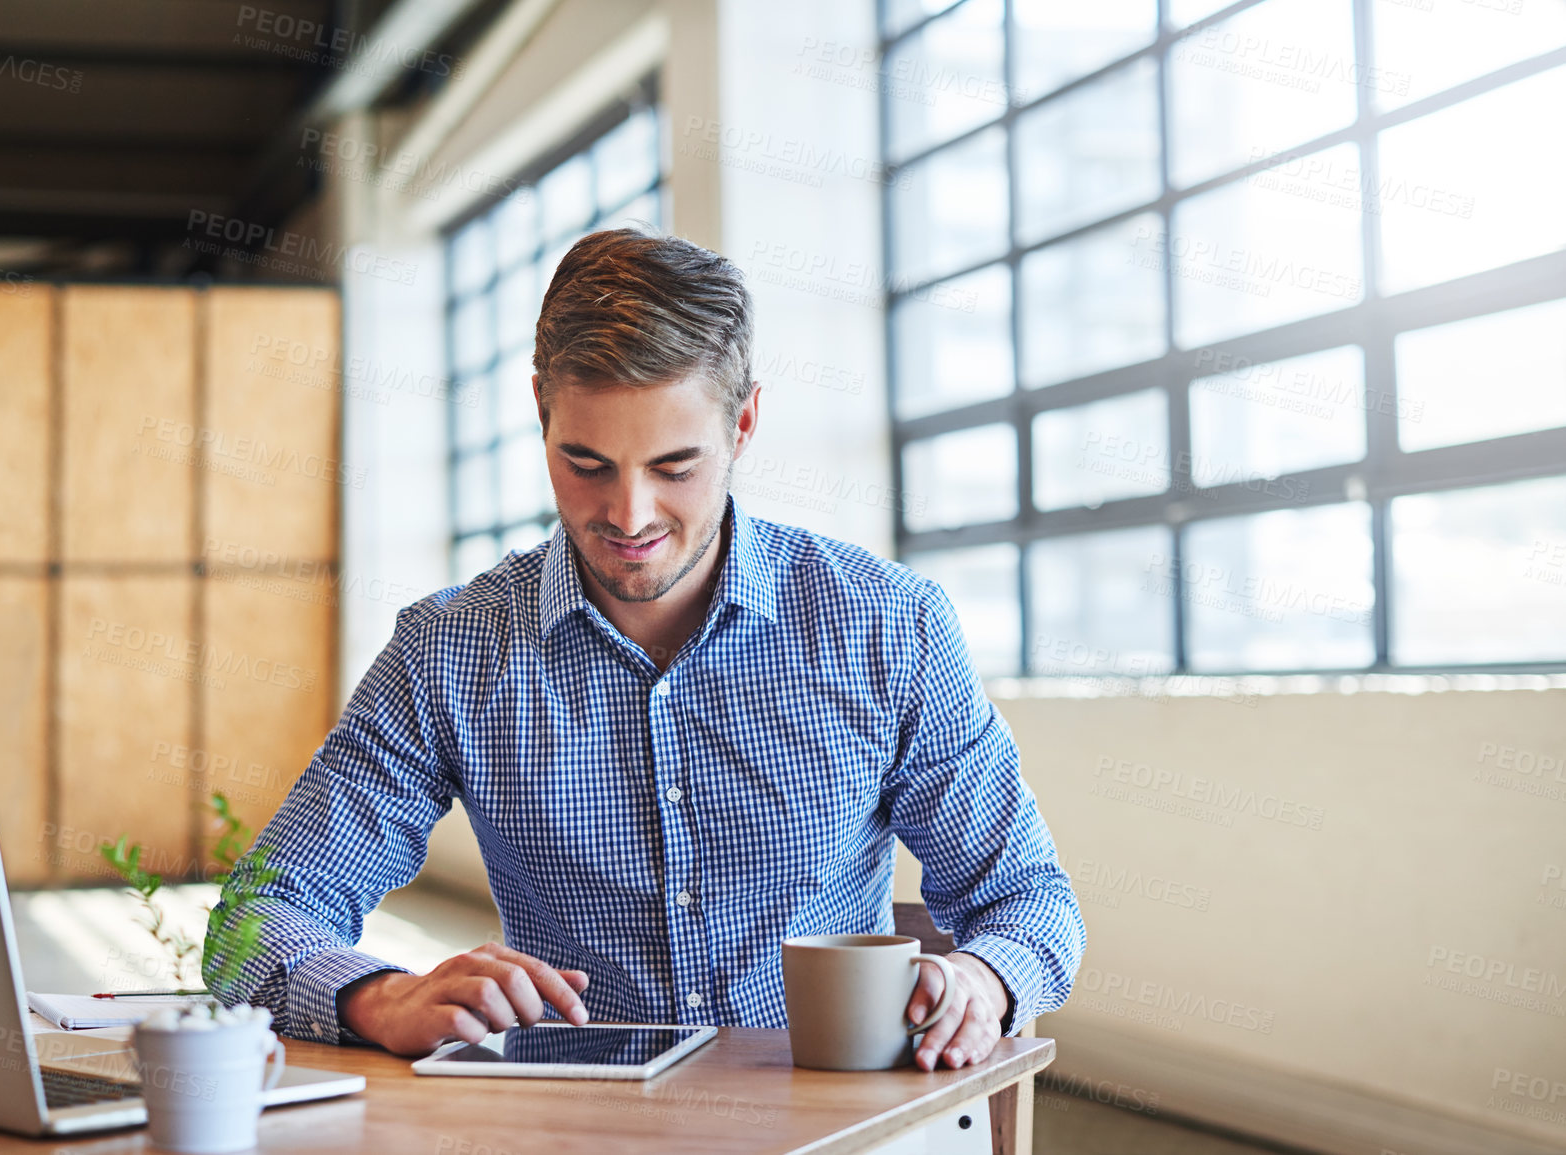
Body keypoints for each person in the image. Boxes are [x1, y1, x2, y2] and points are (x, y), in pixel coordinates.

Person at [207, 227, 1085, 1073]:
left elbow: (1029, 900)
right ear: (540, 413)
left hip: (829, 1126)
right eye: (585, 463)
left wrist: (982, 976)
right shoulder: (451, 652)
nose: (628, 517)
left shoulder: (888, 627)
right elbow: (255, 917)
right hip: (578, 1128)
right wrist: (377, 996)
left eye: (674, 466)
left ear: (742, 424)